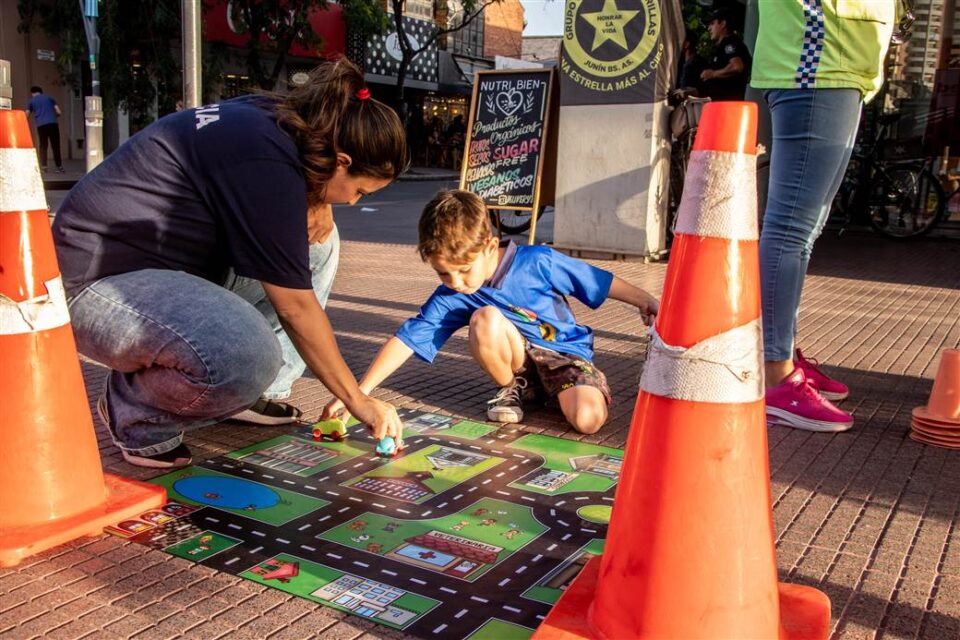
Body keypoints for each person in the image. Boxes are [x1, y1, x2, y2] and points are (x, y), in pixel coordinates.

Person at [52, 58, 409, 468]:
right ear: (341, 160)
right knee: (244, 355)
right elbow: (296, 308)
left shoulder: (275, 122)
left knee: (318, 244)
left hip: (160, 267)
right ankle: (135, 411)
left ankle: (250, 395)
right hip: (97, 285)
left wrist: (315, 198)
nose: (351, 202)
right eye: (360, 191)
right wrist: (357, 400)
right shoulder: (267, 165)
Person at [322, 189, 660, 434]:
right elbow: (408, 338)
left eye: (463, 270)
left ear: (488, 246)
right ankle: (515, 388)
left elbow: (597, 281)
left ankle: (569, 388)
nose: (455, 282)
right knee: (484, 318)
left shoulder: (537, 262)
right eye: (443, 273)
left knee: (588, 421)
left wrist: (645, 300)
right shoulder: (453, 294)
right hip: (518, 363)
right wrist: (357, 394)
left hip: (563, 356)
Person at [751, 0, 895, 432]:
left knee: (803, 230)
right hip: (816, 61)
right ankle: (773, 374)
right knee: (791, 229)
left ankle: (781, 355)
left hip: (834, 63)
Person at [700, 8, 751, 101]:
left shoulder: (730, 42)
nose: (709, 28)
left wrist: (713, 74)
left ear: (723, 24)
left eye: (712, 23)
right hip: (720, 104)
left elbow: (737, 66)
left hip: (727, 105)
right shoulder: (723, 45)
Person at [25, 86, 64, 173]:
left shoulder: (31, 101)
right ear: (41, 92)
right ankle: (59, 167)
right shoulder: (50, 98)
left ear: (33, 93)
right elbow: (58, 112)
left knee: (43, 146)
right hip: (53, 124)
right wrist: (54, 116)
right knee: (55, 145)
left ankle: (44, 167)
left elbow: (26, 115)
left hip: (41, 125)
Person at [677, 29, 706, 95]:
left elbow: (703, 89)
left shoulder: (700, 63)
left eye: (679, 40)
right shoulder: (680, 62)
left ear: (686, 44)